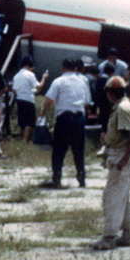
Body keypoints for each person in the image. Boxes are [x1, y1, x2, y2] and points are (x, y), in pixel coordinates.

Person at [93, 76, 130, 251]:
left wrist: (125, 158)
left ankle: (109, 236)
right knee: (124, 196)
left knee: (112, 196)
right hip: (120, 154)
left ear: (110, 93)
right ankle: (126, 234)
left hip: (120, 156)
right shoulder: (126, 106)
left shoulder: (123, 108)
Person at [40, 59, 91, 189]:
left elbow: (49, 99)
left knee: (59, 150)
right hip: (79, 118)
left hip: (64, 118)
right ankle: (81, 177)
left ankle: (56, 178)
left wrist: (43, 111)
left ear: (63, 68)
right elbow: (86, 102)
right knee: (78, 150)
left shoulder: (59, 81)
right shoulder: (82, 82)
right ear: (75, 69)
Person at [11, 56, 47, 143]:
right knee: (29, 123)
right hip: (28, 101)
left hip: (19, 100)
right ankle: (25, 140)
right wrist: (44, 78)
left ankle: (22, 138)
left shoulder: (16, 76)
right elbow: (39, 86)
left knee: (22, 121)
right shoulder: (30, 75)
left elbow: (14, 90)